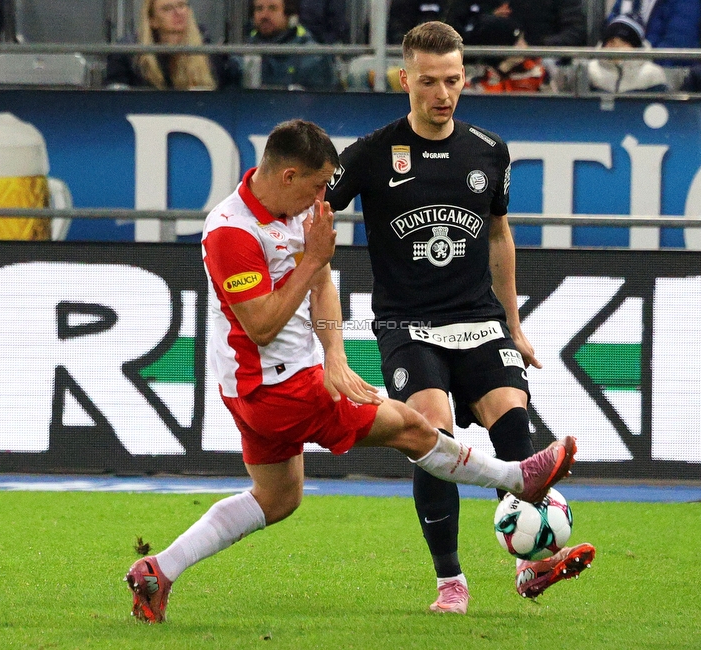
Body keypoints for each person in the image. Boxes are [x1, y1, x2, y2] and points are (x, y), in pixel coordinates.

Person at [125, 118, 579, 623]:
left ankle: (158, 570)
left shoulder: (298, 211)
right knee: (413, 427)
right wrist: (312, 260)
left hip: (268, 385)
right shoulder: (232, 232)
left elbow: (321, 285)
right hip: (277, 387)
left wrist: (335, 357)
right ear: (289, 176)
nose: (327, 197)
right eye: (320, 186)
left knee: (278, 498)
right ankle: (518, 478)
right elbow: (262, 325)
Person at [324, 22, 596, 615]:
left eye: (452, 80)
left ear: (465, 77)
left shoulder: (488, 149)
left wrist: (513, 325)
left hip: (477, 319)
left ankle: (531, 565)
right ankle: (451, 579)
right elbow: (314, 217)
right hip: (408, 324)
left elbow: (499, 235)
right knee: (433, 428)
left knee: (514, 421)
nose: (442, 94)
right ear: (405, 80)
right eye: (428, 82)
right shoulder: (371, 154)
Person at [106, 0, 236, 91]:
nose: (178, 12)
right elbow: (116, 98)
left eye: (182, 5)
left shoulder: (209, 52)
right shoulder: (128, 54)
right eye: (167, 8)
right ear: (152, 20)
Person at [245, 0, 339, 90]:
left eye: (272, 8)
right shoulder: (242, 53)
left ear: (289, 14)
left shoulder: (314, 57)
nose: (264, 15)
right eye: (259, 8)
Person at [447, 0, 587, 48]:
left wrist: (534, 47)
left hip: (544, 64)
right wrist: (489, 19)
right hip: (491, 62)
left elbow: (575, 32)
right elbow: (459, 29)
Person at [463, 16, 549, 93]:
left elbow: (550, 103)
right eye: (518, 42)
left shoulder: (536, 72)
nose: (525, 46)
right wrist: (501, 71)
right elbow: (485, 104)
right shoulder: (474, 75)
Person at [586, 14, 669, 92]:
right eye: (611, 42)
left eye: (623, 42)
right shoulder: (589, 71)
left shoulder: (652, 74)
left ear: (636, 47)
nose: (615, 48)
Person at [606, 0, 701, 53]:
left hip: (663, 73)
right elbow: (609, 30)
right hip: (622, 66)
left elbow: (677, 45)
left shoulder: (685, 3)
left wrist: (639, 63)